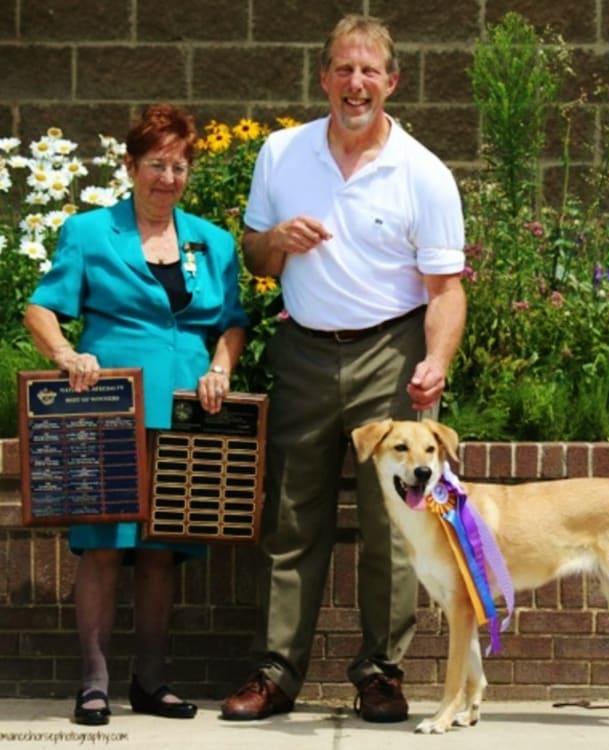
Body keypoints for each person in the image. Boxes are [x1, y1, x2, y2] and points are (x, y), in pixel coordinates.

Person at [220, 14, 466, 723]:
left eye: (369, 72)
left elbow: (446, 290)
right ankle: (275, 674)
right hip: (300, 349)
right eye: (342, 69)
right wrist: (275, 239)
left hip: (388, 353)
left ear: (391, 82)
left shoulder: (423, 172)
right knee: (292, 516)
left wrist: (436, 359)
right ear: (324, 76)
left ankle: (381, 674)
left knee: (394, 525)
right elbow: (257, 260)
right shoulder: (281, 153)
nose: (355, 83)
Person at [23, 103, 249, 726]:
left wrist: (222, 367)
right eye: (156, 164)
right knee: (101, 548)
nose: (168, 178)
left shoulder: (215, 241)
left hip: (186, 414)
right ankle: (92, 686)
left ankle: (151, 682)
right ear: (130, 165)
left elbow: (232, 323)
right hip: (108, 412)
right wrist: (68, 355)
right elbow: (42, 309)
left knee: (160, 552)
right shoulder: (90, 233)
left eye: (179, 166)